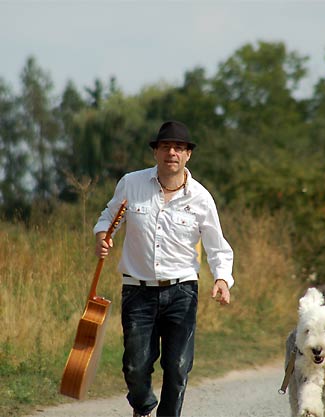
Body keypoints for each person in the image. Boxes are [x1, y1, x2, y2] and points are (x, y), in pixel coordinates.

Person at [93, 120, 236, 417]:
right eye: (166, 146)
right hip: (137, 290)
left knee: (178, 367)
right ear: (156, 152)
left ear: (188, 155)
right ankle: (143, 407)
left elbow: (217, 246)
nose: (172, 152)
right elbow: (109, 217)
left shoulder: (201, 198)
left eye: (179, 148)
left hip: (182, 290)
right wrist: (102, 237)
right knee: (135, 366)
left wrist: (222, 279)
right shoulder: (131, 184)